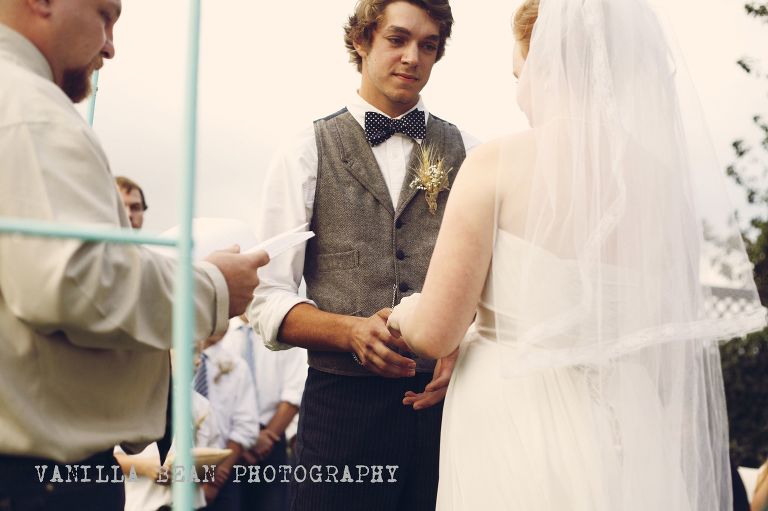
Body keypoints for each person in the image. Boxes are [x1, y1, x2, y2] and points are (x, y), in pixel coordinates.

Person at [387, 0, 768, 509]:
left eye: (519, 74)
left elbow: (436, 332)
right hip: (633, 423)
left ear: (545, 64)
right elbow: (662, 335)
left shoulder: (495, 163)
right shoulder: (663, 185)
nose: (519, 93)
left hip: (518, 423)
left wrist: (404, 311)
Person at [0, 1, 269, 509]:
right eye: (104, 15)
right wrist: (212, 287)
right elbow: (75, 281)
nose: (110, 46)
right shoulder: (30, 110)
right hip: (40, 481)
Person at [248, 1, 478, 508]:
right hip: (339, 413)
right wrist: (348, 331)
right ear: (361, 40)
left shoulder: (470, 153)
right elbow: (265, 296)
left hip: (448, 413)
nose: (412, 57)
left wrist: (461, 343)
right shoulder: (305, 149)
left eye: (428, 45)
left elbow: (492, 290)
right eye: (397, 39)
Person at [221, 316, 307, 510]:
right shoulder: (220, 333)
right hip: (226, 442)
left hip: (270, 440)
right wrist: (240, 442)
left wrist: (267, 437)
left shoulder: (280, 329)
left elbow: (294, 393)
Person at [194, 334, 260, 511]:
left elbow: (245, 427)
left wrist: (215, 478)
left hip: (222, 473)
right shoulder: (171, 359)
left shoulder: (237, 366)